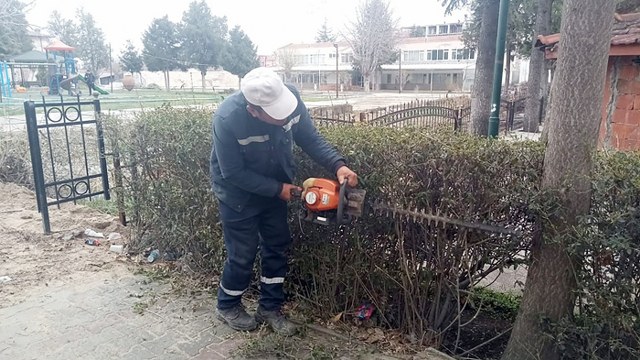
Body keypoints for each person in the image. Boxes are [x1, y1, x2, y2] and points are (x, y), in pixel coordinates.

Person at [210, 67, 358, 335]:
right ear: (254, 110)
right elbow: (232, 172)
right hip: (237, 194)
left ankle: (270, 306)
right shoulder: (227, 117)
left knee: (277, 245)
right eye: (277, 113)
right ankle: (227, 304)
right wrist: (277, 188)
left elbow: (309, 137)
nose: (287, 115)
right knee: (242, 253)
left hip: (276, 186)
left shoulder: (290, 98)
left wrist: (338, 165)